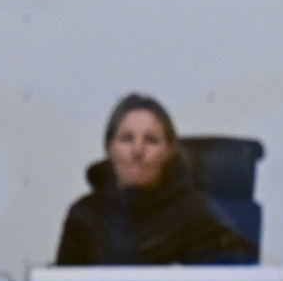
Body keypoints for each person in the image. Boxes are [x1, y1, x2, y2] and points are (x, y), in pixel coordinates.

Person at [54, 93, 256, 267]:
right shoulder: (85, 216)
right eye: (126, 139)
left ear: (169, 151)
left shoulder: (194, 213)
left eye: (151, 140)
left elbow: (236, 280)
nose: (137, 151)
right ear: (109, 149)